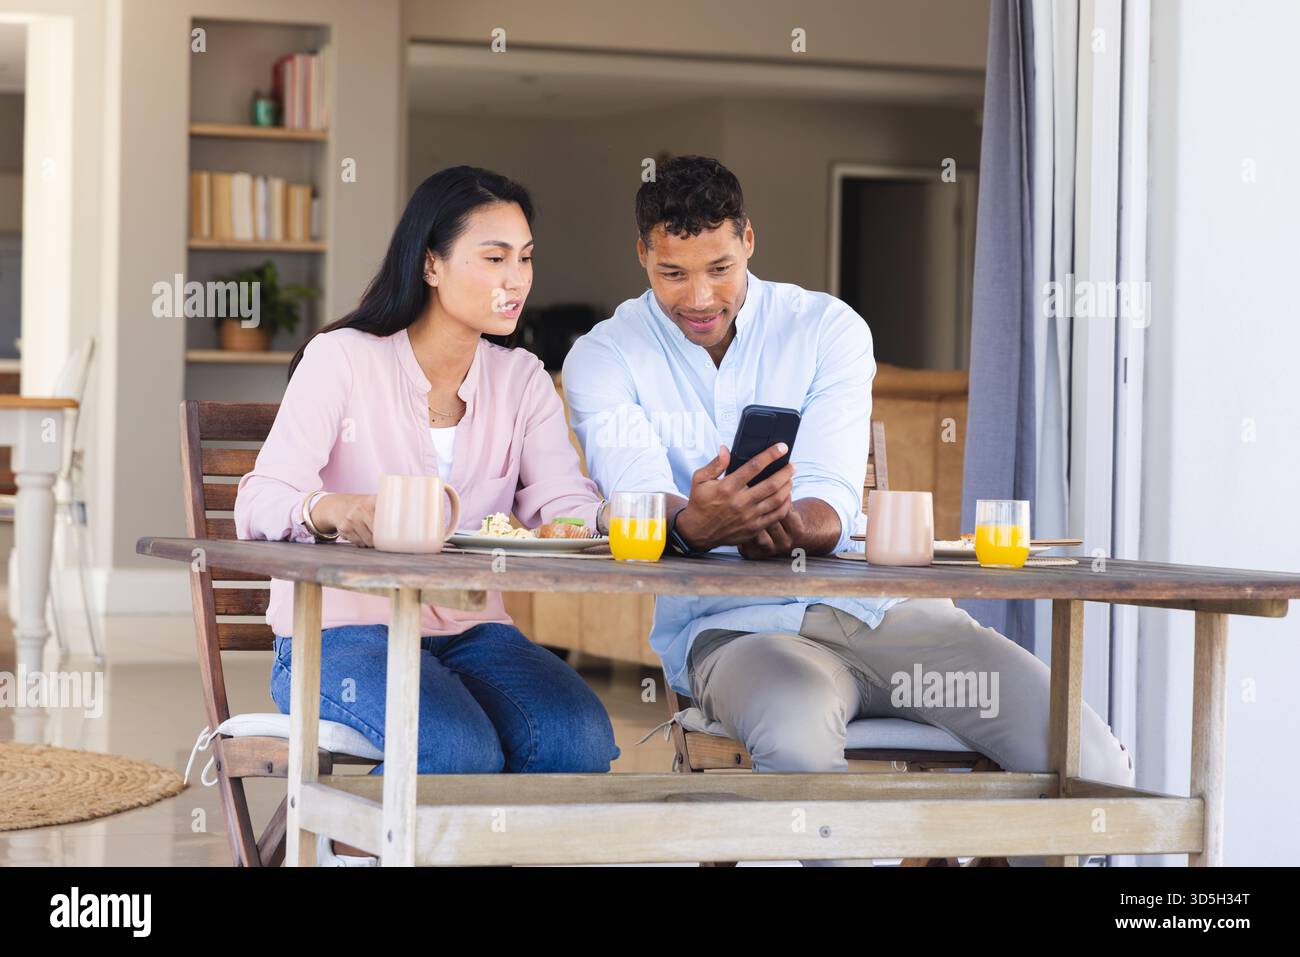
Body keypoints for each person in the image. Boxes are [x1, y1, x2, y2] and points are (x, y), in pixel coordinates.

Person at [562, 154, 1132, 866]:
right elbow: (637, 504)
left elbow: (829, 496)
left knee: (1091, 760)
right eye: (673, 273)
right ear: (642, 254)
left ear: (750, 239)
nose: (700, 296)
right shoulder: (603, 355)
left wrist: (791, 527)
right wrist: (694, 525)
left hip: (882, 612)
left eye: (721, 267)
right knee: (798, 739)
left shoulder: (826, 327)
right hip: (735, 633)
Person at [235, 166, 620, 865]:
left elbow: (567, 502)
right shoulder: (343, 360)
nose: (517, 278)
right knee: (454, 745)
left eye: (526, 257)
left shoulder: (523, 379)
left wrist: (596, 519)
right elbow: (260, 499)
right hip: (342, 635)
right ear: (433, 264)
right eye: (494, 257)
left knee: (578, 736)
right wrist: (335, 510)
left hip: (474, 629)